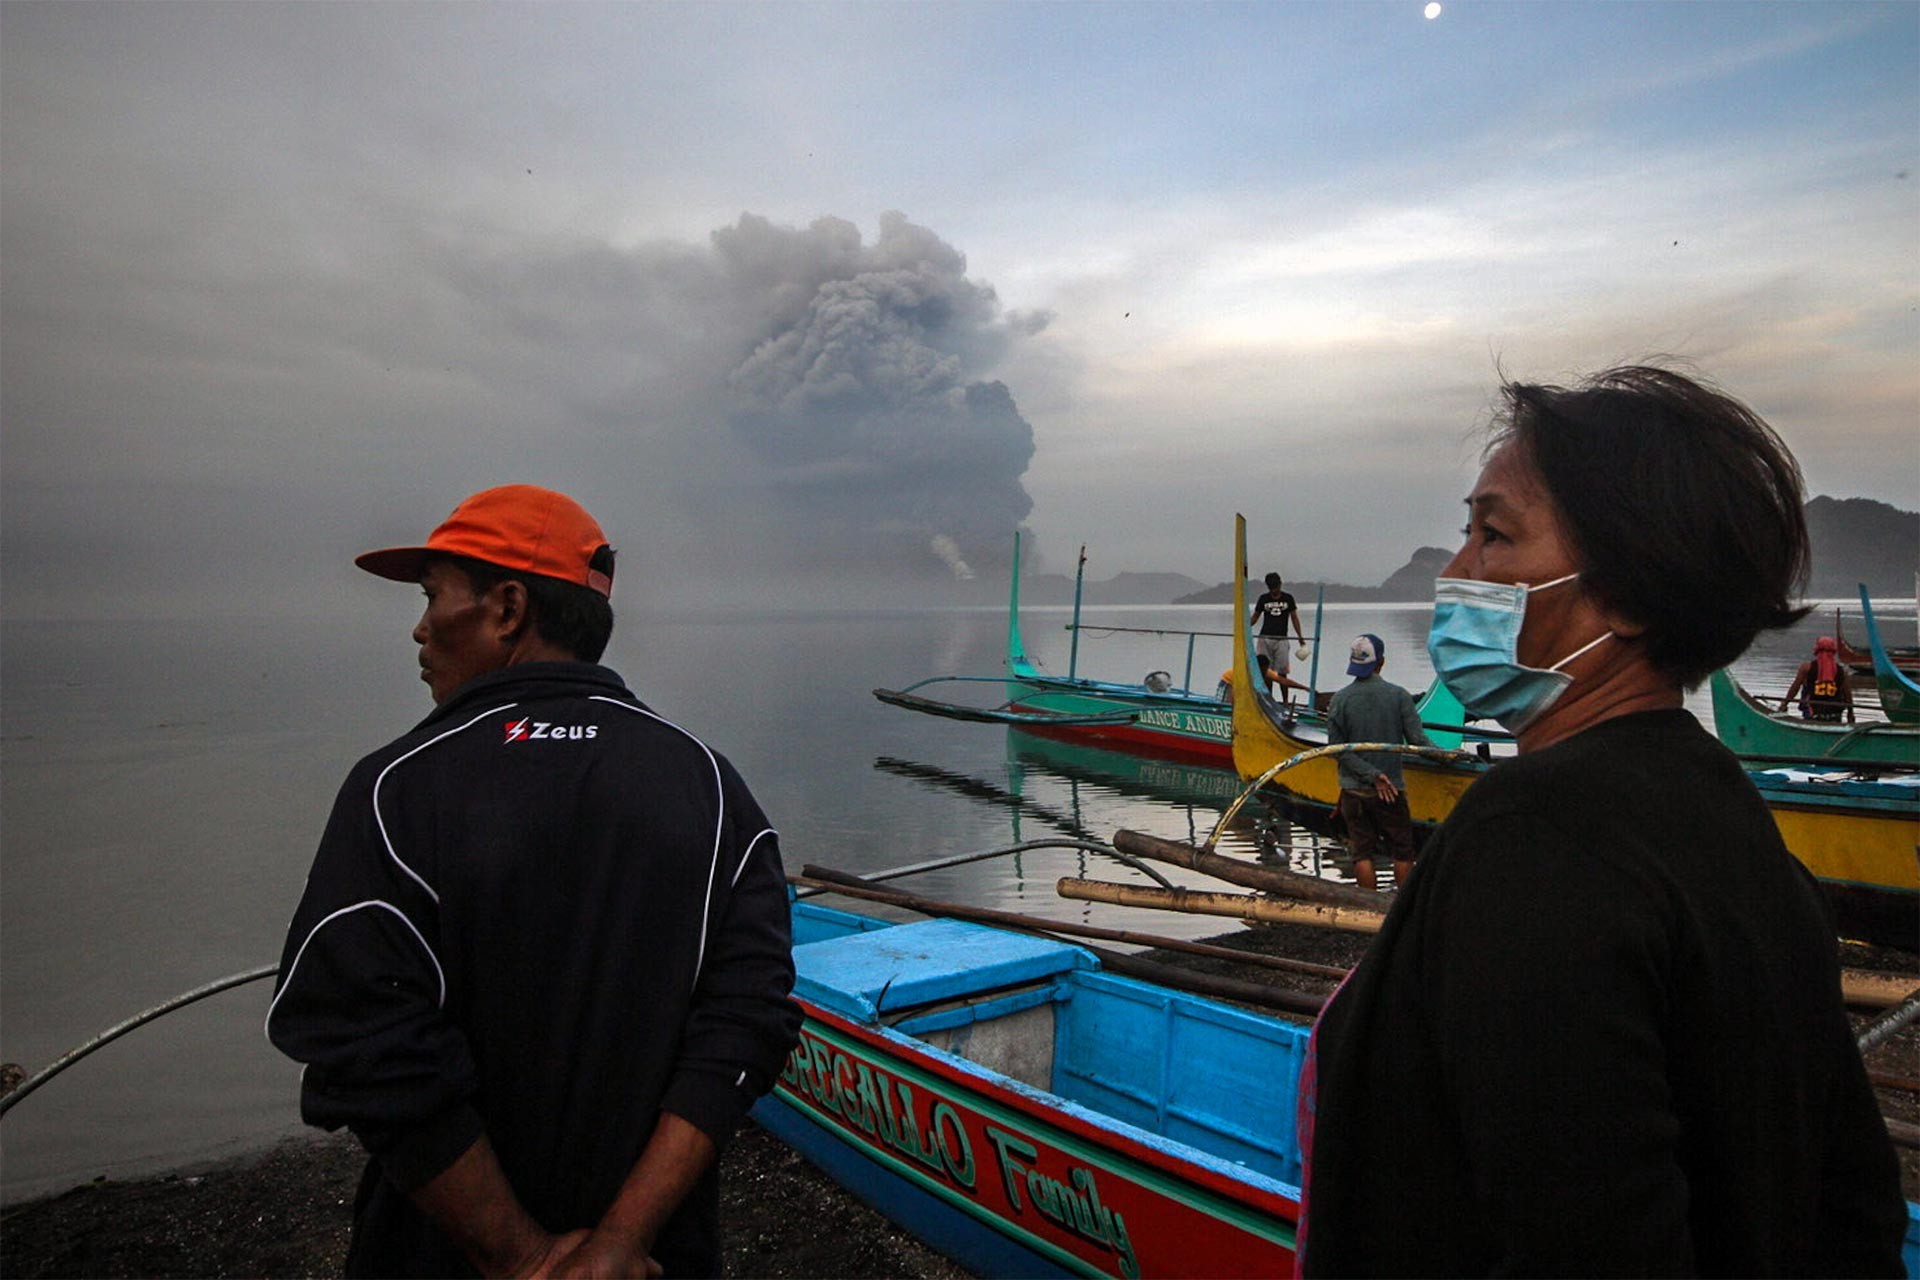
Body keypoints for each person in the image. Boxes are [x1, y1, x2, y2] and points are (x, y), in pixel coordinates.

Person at [1296, 368, 1905, 1275]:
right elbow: (1855, 1206)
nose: (1456, 571)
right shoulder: (1730, 814)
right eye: (1465, 532)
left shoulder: (1535, 840)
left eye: (1493, 535)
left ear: (1627, 593)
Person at [266, 485, 802, 1279]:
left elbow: (358, 1037)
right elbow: (748, 1019)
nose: (419, 629)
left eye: (431, 597)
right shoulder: (709, 785)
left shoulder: (400, 789)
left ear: (508, 608)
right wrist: (621, 1241)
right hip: (652, 1261)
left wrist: (522, 1259)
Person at [1323, 633, 1432, 891]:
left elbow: (1337, 750)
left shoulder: (1339, 700)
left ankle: (1368, 910)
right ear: (1380, 663)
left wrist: (1367, 774)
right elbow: (1418, 740)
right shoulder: (1399, 696)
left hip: (1352, 792)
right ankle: (1403, 912)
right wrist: (1449, 756)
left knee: (1362, 854)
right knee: (1403, 852)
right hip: (1390, 791)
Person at [1249, 572, 1309, 704]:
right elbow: (1255, 617)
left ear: (1280, 584)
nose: (1275, 591)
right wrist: (1244, 626)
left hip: (1281, 639)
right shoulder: (1263, 599)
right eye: (1272, 588)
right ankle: (1268, 699)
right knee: (1266, 672)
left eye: (1276, 587)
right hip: (1265, 638)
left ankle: (1285, 701)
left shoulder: (1288, 598)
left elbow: (1294, 617)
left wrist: (1300, 637)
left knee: (1282, 672)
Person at [1781, 635, 1855, 723]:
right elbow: (1847, 695)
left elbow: (1795, 688)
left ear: (1816, 649)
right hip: (1835, 715)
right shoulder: (1842, 671)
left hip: (1812, 713)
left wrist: (1784, 704)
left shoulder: (1806, 668)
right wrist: (1850, 714)